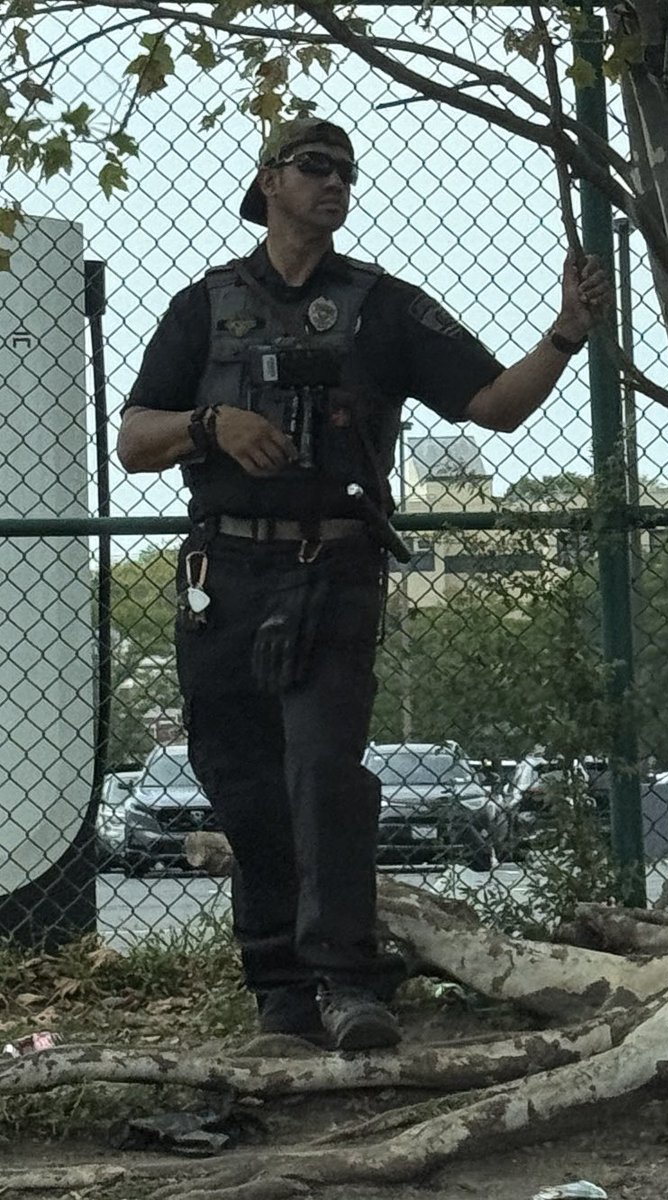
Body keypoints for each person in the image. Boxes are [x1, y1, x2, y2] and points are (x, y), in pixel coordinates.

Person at [117, 115, 606, 1051]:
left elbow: (493, 406)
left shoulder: (383, 306)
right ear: (269, 182)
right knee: (241, 779)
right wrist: (212, 424)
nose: (334, 183)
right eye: (315, 167)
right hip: (223, 570)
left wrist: (565, 335)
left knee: (323, 773)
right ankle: (280, 995)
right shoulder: (203, 307)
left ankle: (349, 985)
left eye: (346, 171)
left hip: (332, 569)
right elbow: (135, 439)